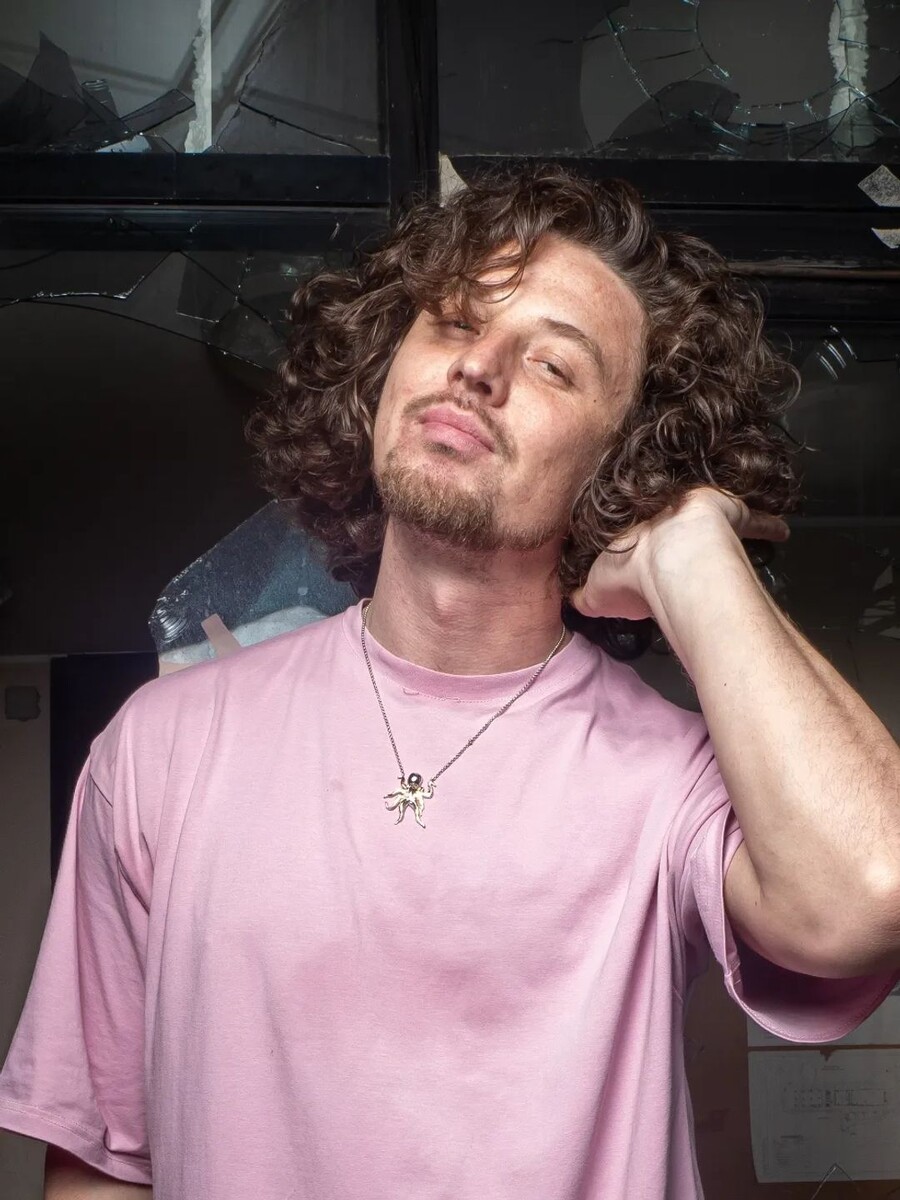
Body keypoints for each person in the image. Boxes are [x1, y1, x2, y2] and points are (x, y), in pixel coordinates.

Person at [2, 165, 900, 1200]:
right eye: (455, 323)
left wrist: (694, 549)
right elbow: (102, 1161)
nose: (479, 367)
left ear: (622, 462)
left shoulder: (676, 779)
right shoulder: (161, 745)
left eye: (554, 365)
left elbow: (871, 894)